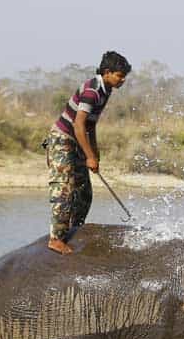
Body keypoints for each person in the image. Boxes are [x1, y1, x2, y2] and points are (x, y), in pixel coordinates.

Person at [44, 50, 131, 255]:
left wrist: (94, 152)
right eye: (120, 75)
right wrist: (89, 156)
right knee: (65, 189)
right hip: (63, 139)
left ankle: (75, 228)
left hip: (79, 140)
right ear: (107, 72)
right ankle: (56, 238)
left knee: (84, 192)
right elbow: (78, 124)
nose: (123, 80)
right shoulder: (92, 90)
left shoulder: (106, 90)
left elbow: (91, 125)